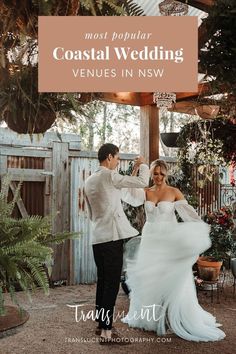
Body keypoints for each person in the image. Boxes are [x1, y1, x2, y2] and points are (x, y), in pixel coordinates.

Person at [121, 159, 226, 342]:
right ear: (151, 173)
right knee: (151, 277)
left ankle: (171, 317)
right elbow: (127, 193)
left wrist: (200, 229)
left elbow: (188, 214)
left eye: (162, 173)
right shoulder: (145, 192)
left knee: (170, 277)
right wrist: (137, 168)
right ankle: (152, 318)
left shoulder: (174, 192)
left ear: (166, 174)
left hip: (168, 239)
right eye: (155, 173)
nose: (158, 177)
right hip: (150, 238)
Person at [84, 143, 149, 345]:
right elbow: (142, 181)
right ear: (110, 157)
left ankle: (100, 325)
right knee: (111, 285)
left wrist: (133, 168)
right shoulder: (109, 176)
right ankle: (107, 334)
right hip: (112, 238)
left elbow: (91, 213)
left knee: (103, 282)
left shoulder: (90, 180)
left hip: (97, 238)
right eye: (118, 158)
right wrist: (144, 165)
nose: (118, 161)